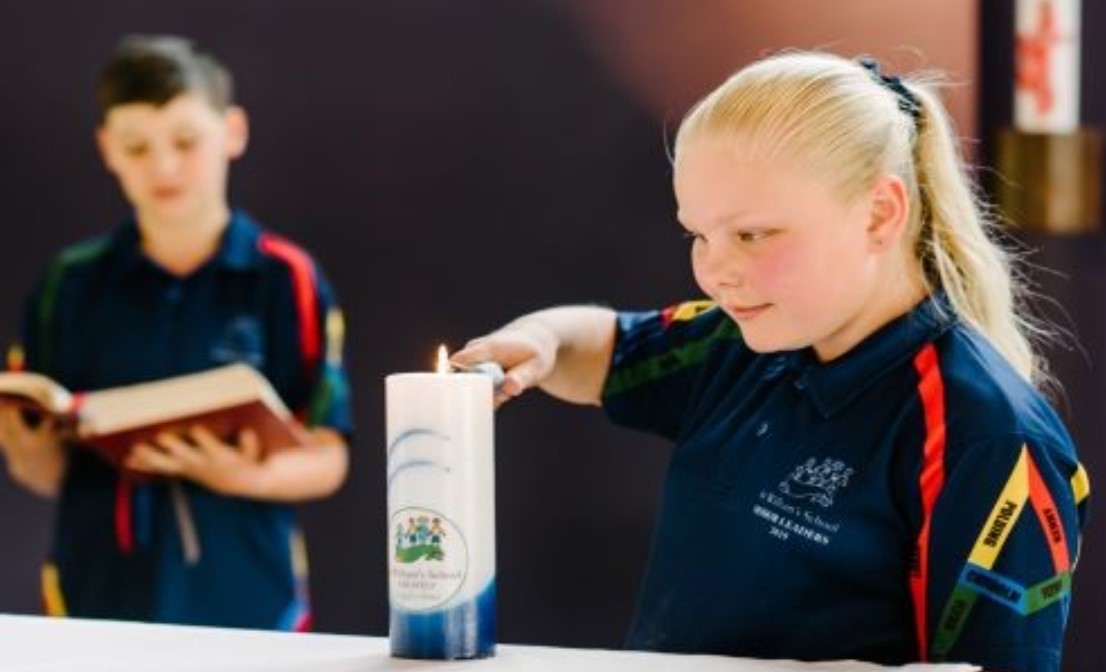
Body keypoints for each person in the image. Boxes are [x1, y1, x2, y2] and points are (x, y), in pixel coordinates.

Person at [452, 52, 1089, 671]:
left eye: (753, 235)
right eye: (698, 236)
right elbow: (606, 348)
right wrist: (540, 341)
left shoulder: (990, 441)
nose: (715, 273)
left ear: (879, 213)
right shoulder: (733, 339)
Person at [0, 35, 353, 631]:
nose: (163, 166)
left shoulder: (286, 279)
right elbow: (47, 472)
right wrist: (28, 452)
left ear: (233, 132)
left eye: (186, 141)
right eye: (137, 146)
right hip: (95, 598)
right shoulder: (69, 283)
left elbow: (329, 456)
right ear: (107, 149)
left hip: (248, 601)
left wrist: (244, 475)